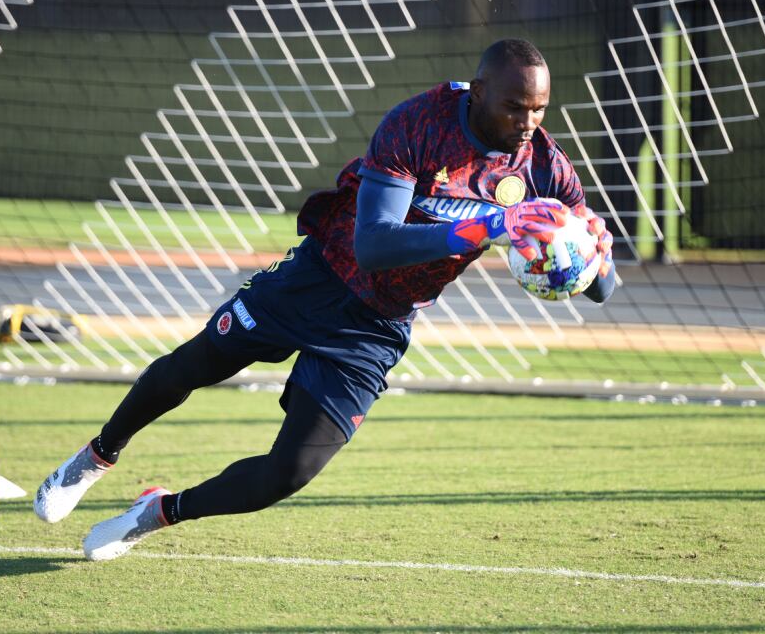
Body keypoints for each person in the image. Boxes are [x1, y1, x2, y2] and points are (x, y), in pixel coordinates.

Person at [33, 38, 616, 561]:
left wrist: (594, 251)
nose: (527, 122)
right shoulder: (418, 123)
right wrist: (488, 225)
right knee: (194, 365)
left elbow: (602, 290)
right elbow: (374, 246)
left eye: (539, 109)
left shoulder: (545, 167)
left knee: (288, 473)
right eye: (515, 106)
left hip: (377, 326)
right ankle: (98, 455)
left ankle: (158, 511)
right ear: (479, 91)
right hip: (317, 278)